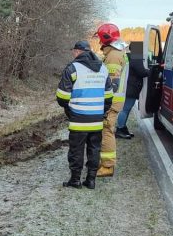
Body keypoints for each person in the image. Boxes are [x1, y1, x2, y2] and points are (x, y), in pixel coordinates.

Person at [56, 40, 113, 190]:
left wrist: (70, 110)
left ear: (77, 52)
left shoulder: (72, 68)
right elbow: (108, 96)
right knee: (94, 149)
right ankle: (91, 180)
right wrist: (101, 111)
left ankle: (75, 180)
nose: (73, 54)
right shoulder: (103, 69)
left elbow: (62, 97)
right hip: (97, 118)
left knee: (76, 149)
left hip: (78, 118)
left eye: (73, 51)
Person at [95, 23, 129, 177]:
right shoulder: (116, 52)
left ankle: (108, 166)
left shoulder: (114, 55)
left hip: (111, 101)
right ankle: (105, 164)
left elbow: (112, 83)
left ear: (105, 38)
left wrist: (104, 103)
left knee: (107, 130)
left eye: (100, 39)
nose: (99, 42)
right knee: (106, 130)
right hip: (113, 100)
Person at [116, 42, 150, 139]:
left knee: (126, 108)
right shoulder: (136, 58)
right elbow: (142, 72)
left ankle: (122, 128)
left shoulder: (129, 56)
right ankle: (119, 128)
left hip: (128, 86)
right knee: (126, 109)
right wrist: (152, 70)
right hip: (131, 87)